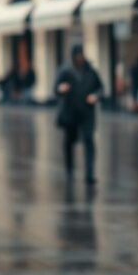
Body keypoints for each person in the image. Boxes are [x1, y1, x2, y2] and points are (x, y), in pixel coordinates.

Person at [54, 45, 103, 186]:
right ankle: (69, 170)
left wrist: (95, 96)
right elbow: (55, 89)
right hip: (71, 113)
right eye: (77, 56)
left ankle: (89, 174)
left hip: (87, 112)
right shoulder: (66, 71)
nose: (80, 58)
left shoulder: (91, 71)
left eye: (81, 55)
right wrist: (61, 89)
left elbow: (100, 88)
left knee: (89, 141)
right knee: (69, 142)